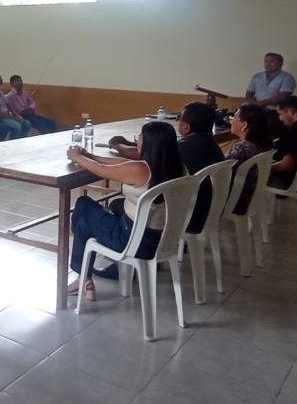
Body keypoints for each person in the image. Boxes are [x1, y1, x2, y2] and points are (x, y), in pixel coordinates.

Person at [67, 120, 183, 300]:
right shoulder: (179, 167)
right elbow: (122, 163)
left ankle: (83, 276)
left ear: (149, 143)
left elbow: (101, 170)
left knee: (83, 205)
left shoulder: (141, 170)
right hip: (162, 239)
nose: (138, 140)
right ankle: (85, 279)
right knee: (84, 224)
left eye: (140, 137)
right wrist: (90, 155)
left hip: (131, 240)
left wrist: (77, 157)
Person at [176, 101, 224, 234]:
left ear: (186, 127)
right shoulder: (212, 144)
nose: (178, 121)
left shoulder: (183, 147)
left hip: (190, 217)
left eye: (179, 118)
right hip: (211, 211)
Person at [226, 102, 272, 214]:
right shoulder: (264, 144)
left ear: (244, 125)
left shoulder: (241, 148)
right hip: (252, 198)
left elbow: (222, 174)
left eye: (234, 117)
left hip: (236, 201)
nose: (231, 120)